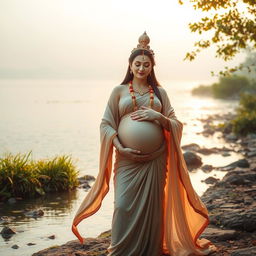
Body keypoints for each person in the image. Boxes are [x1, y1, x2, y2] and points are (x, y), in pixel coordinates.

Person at [72, 31, 217, 256]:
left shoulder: (160, 93)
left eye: (146, 65)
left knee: (153, 208)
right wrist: (119, 146)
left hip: (156, 161)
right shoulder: (118, 91)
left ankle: (150, 250)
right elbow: (106, 124)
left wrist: (158, 117)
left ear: (152, 67)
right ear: (130, 66)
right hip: (126, 160)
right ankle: (120, 251)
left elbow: (176, 123)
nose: (141, 68)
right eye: (137, 64)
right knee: (122, 206)